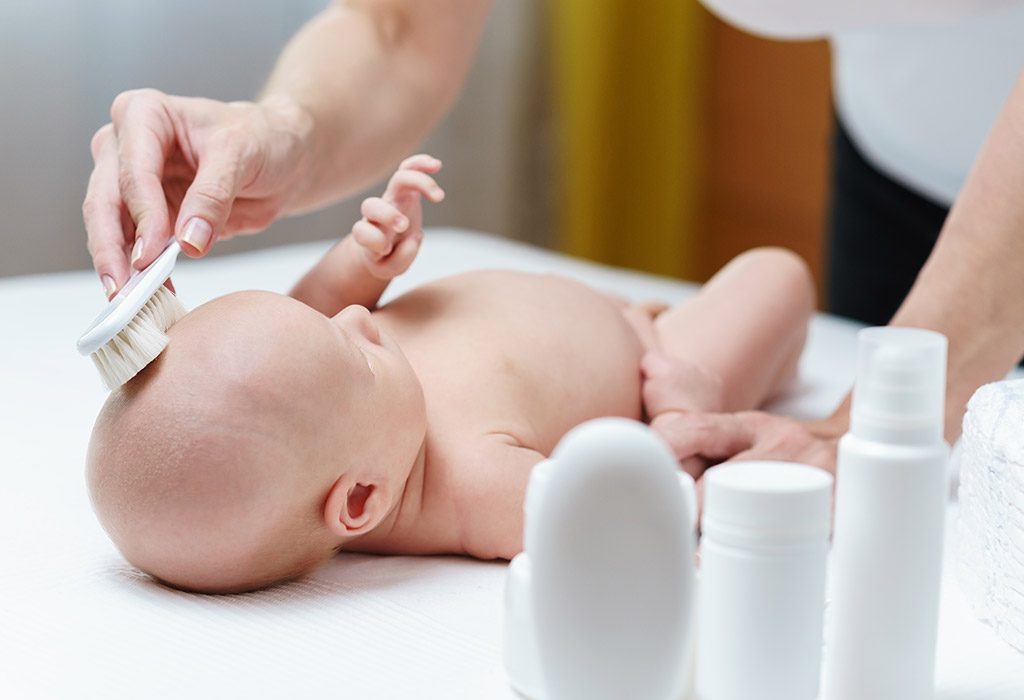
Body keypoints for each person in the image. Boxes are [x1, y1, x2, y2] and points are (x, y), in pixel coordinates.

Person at [81, 1, 1024, 474]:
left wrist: (879, 422)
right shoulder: (438, 474)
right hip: (898, 156)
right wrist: (284, 127)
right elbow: (401, 27)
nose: (358, 324)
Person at [85, 155, 814, 593]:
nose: (357, 319)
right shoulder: (470, 486)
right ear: (361, 499)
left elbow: (322, 311)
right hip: (656, 354)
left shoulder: (311, 396)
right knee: (778, 277)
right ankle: (717, 390)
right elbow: (615, 508)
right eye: (356, 353)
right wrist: (677, 425)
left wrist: (364, 256)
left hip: (600, 308)